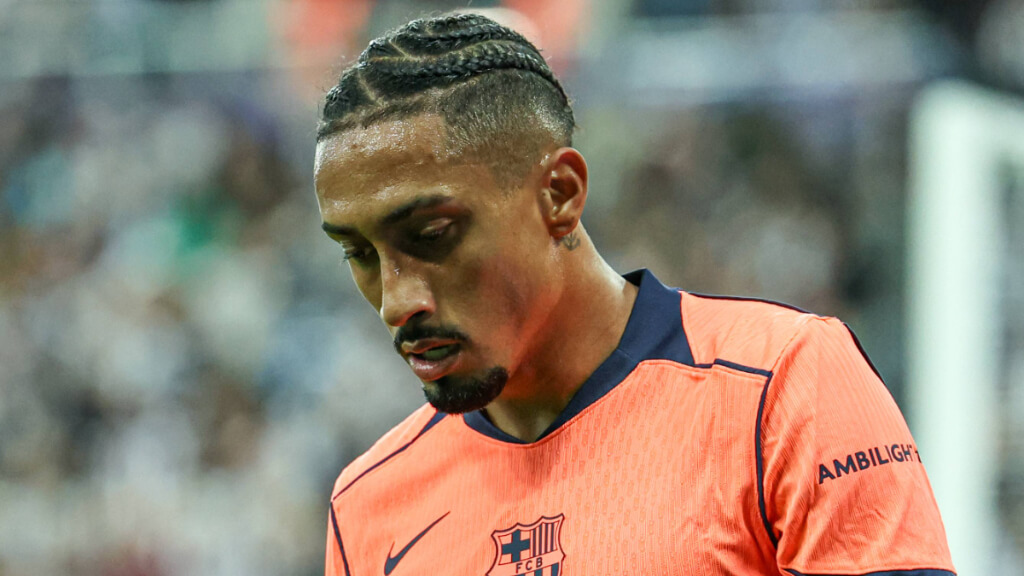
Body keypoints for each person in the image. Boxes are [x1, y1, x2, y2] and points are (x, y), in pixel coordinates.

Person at [313, 13, 955, 576]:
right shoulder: (368, 504)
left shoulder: (783, 385)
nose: (396, 302)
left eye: (431, 235)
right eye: (358, 253)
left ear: (559, 195)